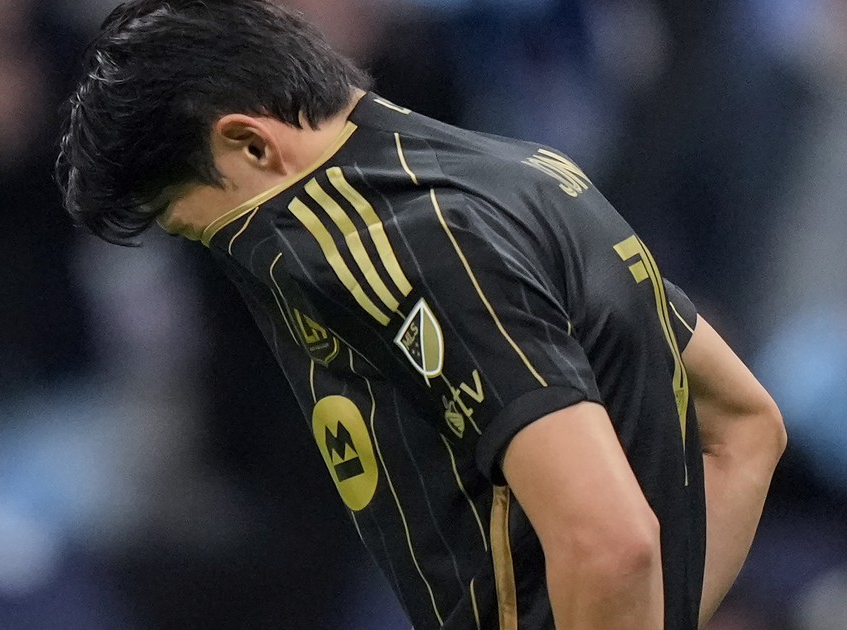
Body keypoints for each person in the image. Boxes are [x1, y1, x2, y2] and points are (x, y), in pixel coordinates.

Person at [54, 1, 788, 628]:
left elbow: (611, 542)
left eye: (202, 229)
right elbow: (746, 427)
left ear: (252, 144)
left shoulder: (403, 246)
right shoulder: (523, 172)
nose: (230, 257)